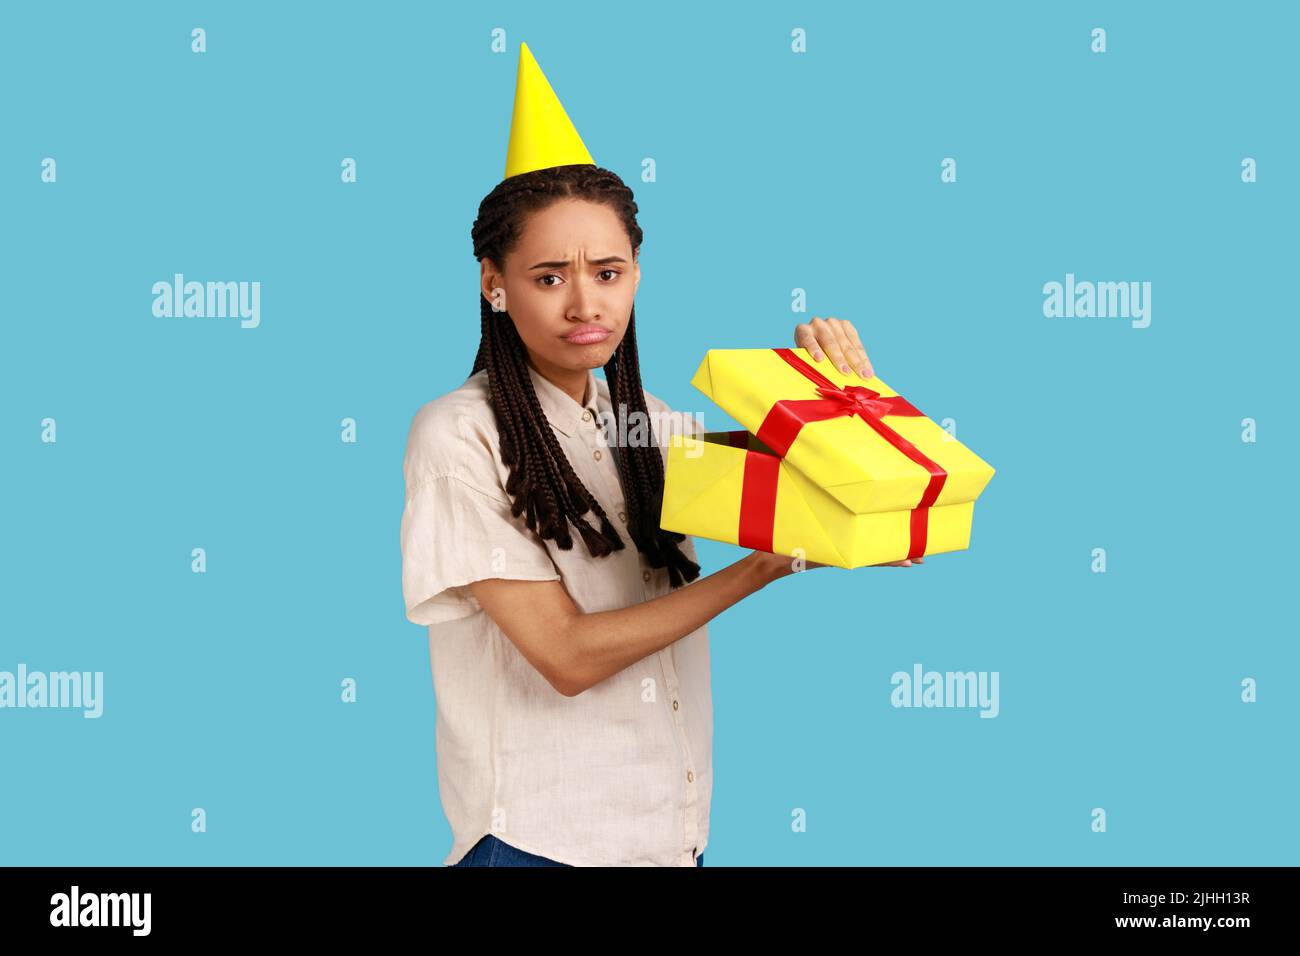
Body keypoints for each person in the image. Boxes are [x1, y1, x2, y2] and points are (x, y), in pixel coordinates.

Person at [399, 41, 917, 868]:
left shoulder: (650, 427)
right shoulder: (458, 436)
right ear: (492, 282)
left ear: (637, 273)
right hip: (538, 843)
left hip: (670, 838)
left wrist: (850, 404)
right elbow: (566, 656)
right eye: (546, 277)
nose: (584, 303)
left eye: (607, 272)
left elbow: (876, 529)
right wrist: (757, 570)